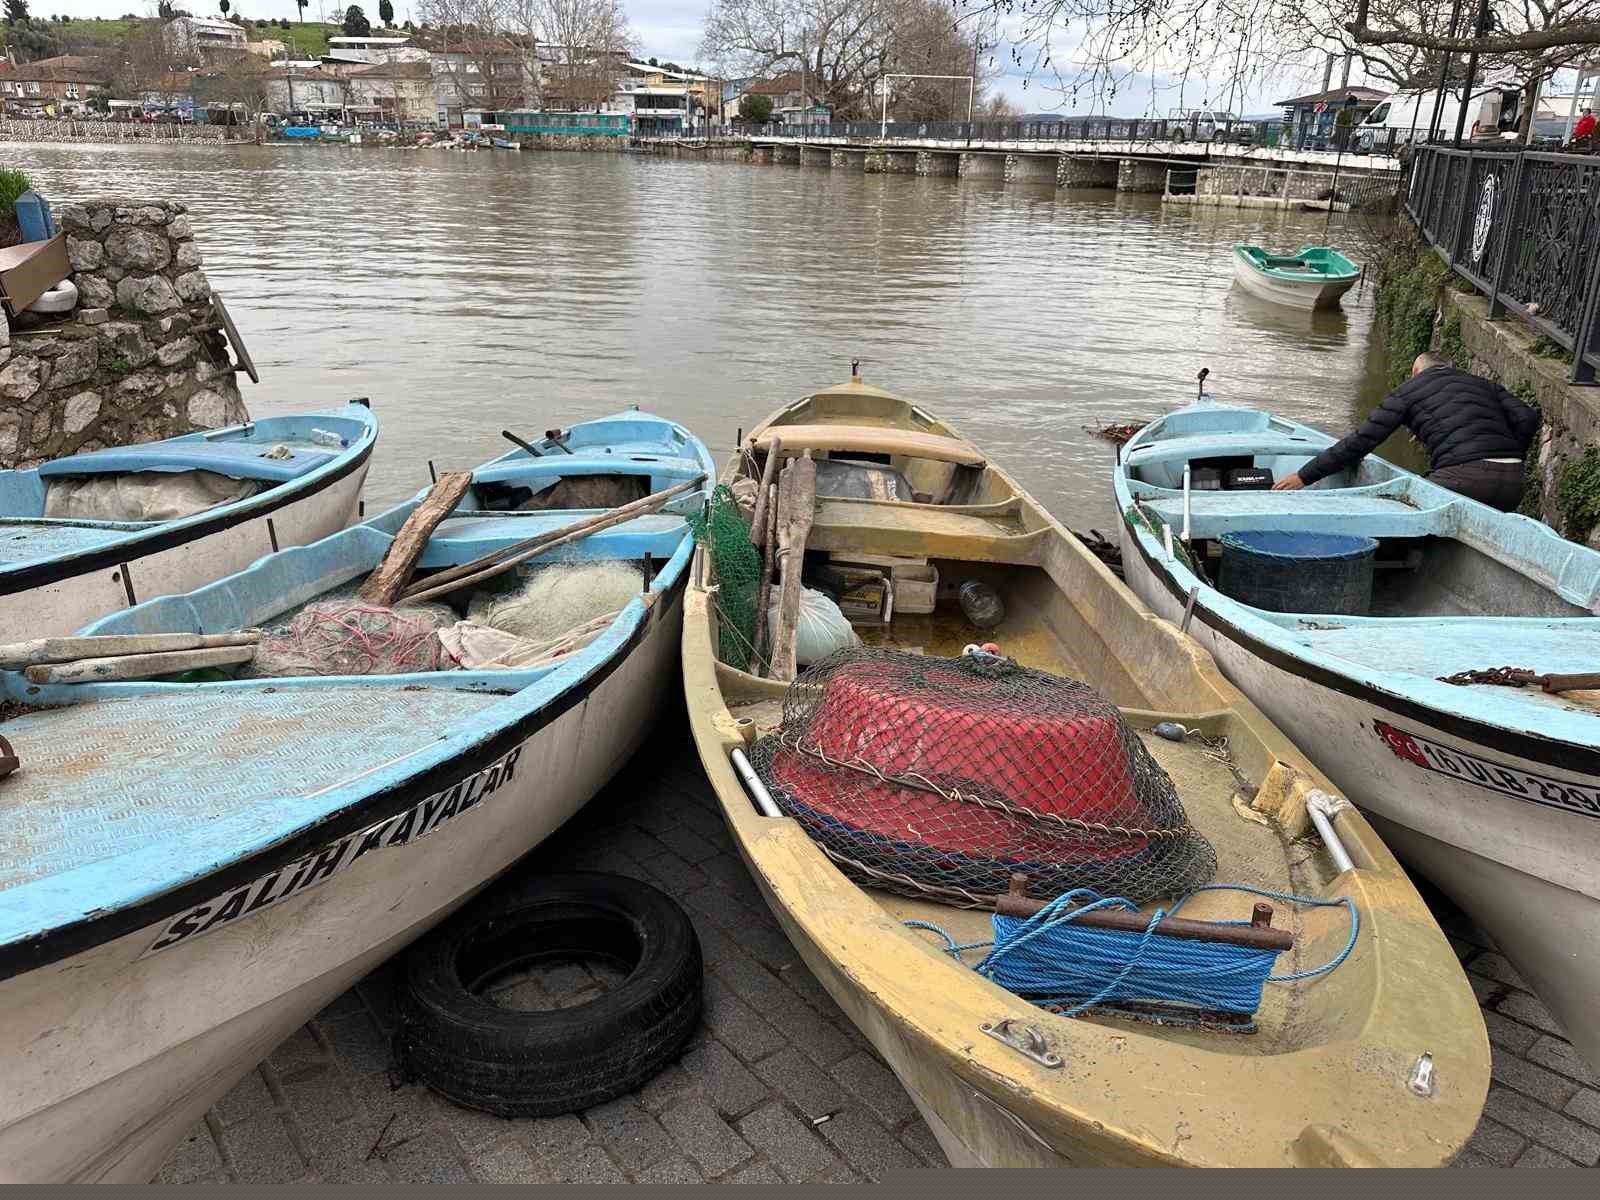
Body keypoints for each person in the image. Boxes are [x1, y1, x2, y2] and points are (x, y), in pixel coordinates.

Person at [1272, 352, 1538, 511]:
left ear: (1415, 371)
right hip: (1514, 482)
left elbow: (1361, 441)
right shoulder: (1483, 384)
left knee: (1398, 506)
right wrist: (1508, 455)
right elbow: (1527, 417)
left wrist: (1303, 476)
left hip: (1462, 479)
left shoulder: (1408, 392)